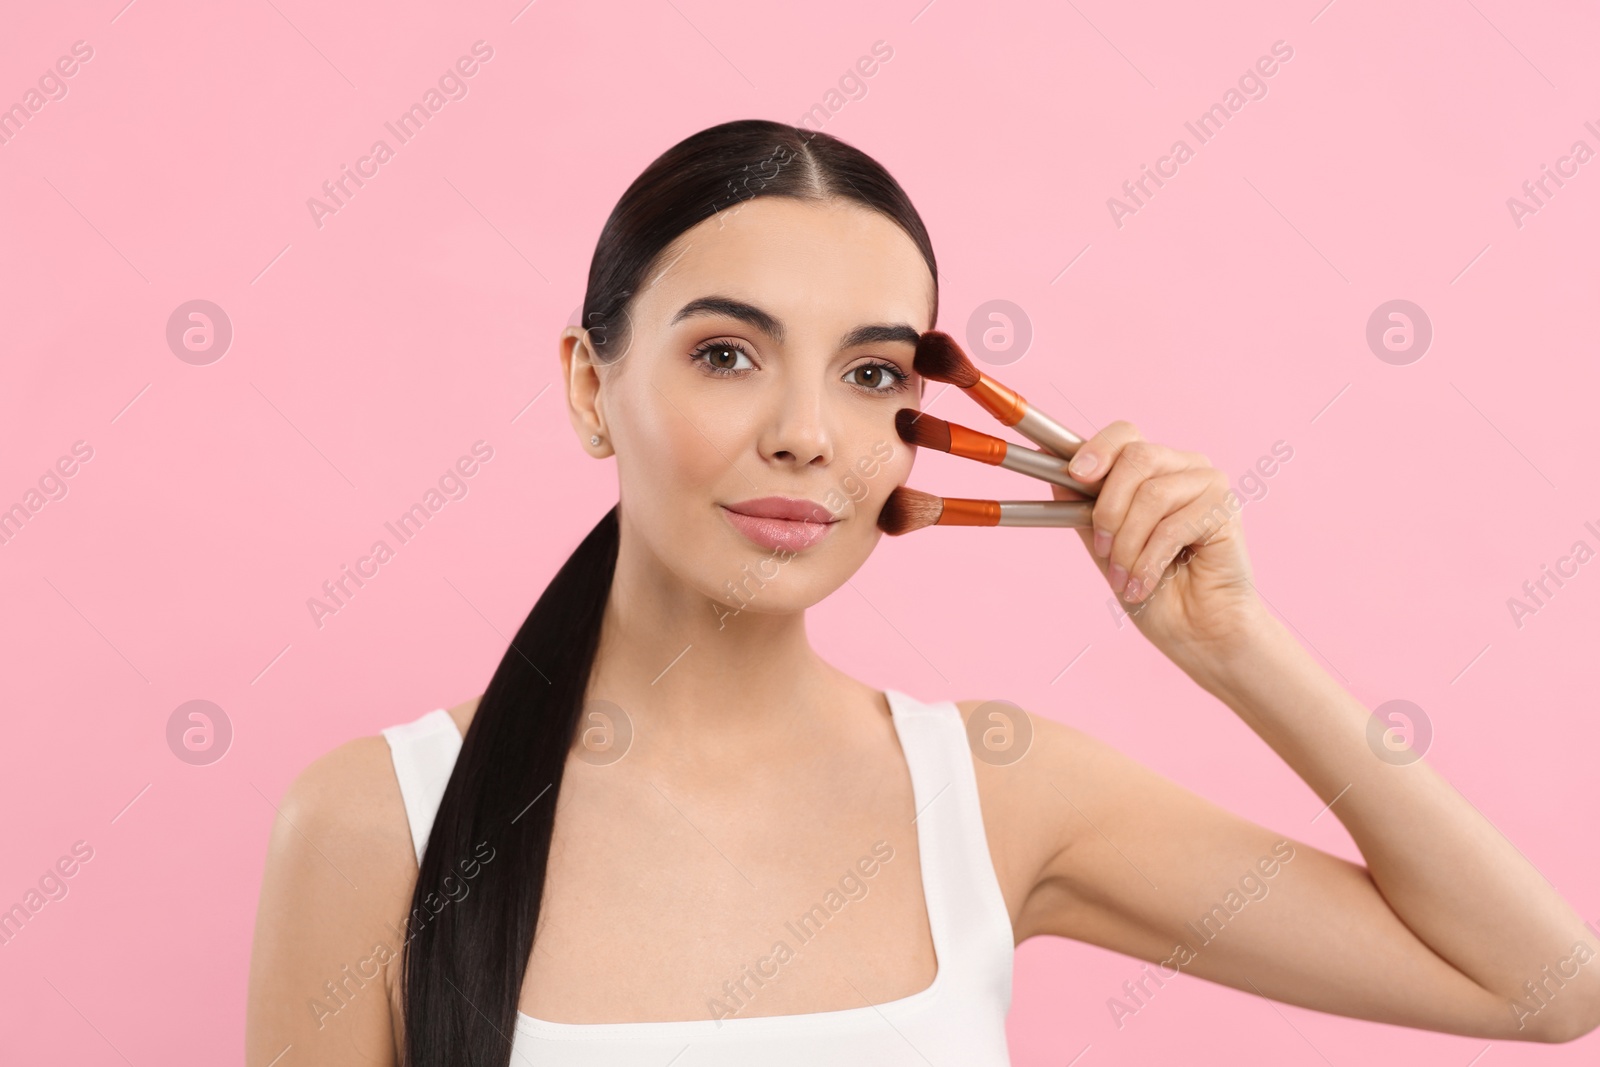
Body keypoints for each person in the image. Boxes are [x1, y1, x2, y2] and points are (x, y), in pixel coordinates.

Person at [245, 119, 1600, 1066]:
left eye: (875, 373)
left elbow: (1542, 987)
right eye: (727, 354)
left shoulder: (999, 791)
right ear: (592, 388)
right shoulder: (377, 821)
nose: (807, 435)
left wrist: (1237, 648)